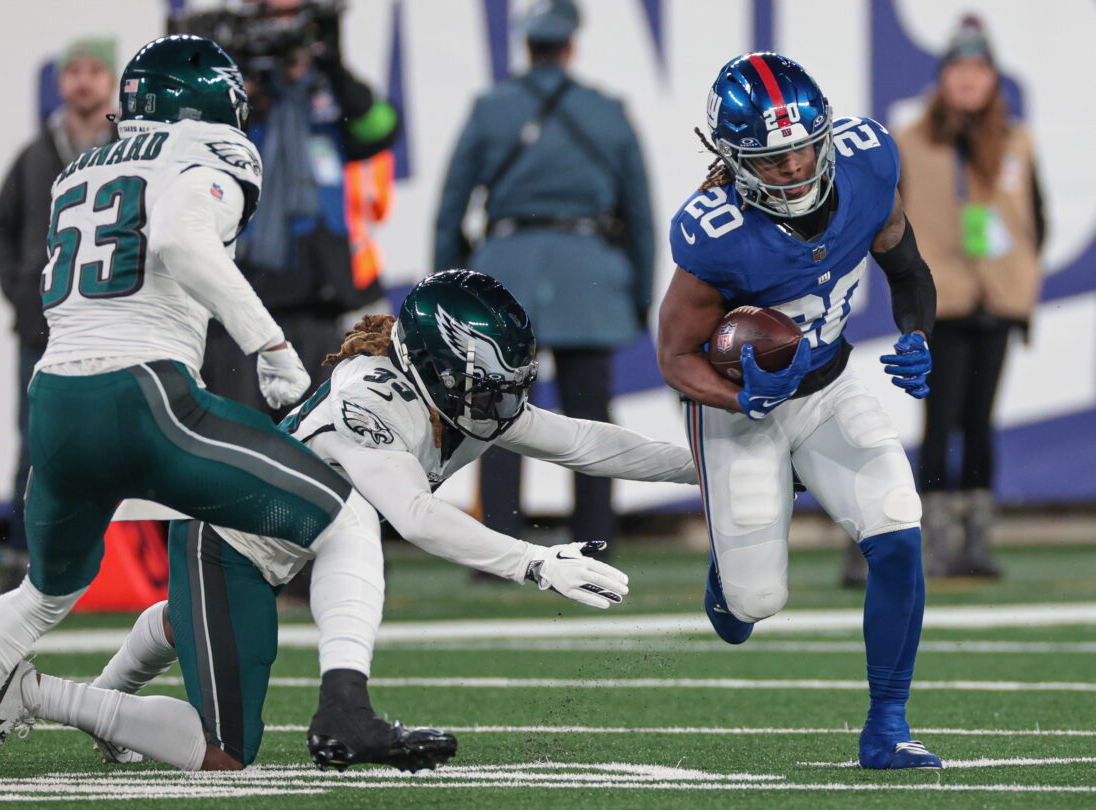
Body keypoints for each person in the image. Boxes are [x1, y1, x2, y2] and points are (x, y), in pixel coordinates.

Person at [0, 35, 426, 803]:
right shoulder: (210, 151)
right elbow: (177, 236)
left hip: (57, 402)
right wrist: (270, 345)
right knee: (341, 513)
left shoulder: (81, 165)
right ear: (207, 104)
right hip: (146, 396)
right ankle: (346, 707)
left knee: (42, 591)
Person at [0, 269, 698, 774]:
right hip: (229, 543)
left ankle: (116, 692)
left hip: (270, 548)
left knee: (197, 624)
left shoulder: (458, 398)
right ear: (435, 368)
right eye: (487, 384)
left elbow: (587, 441)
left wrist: (704, 465)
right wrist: (533, 561)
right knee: (223, 751)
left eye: (509, 384)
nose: (502, 404)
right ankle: (32, 692)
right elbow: (413, 514)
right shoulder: (370, 398)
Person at [657, 53, 941, 770]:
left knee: (898, 530)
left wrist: (917, 334)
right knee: (755, 604)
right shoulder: (715, 233)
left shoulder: (870, 161)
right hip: (741, 410)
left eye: (806, 148)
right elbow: (675, 355)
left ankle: (887, 725)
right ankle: (728, 584)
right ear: (735, 161)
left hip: (830, 384)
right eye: (775, 160)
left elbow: (907, 268)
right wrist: (737, 396)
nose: (796, 168)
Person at [433, 0, 653, 553]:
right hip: (590, 280)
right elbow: (640, 215)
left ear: (526, 45)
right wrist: (641, 294)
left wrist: (445, 293)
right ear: (571, 45)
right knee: (592, 419)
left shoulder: (490, 108)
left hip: (505, 276)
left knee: (498, 418)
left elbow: (451, 208)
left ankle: (497, 543)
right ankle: (598, 540)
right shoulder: (607, 111)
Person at [192, 0, 398, 418]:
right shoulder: (231, 101)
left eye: (295, 23)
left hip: (317, 295)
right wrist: (235, 87)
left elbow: (382, 129)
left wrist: (335, 66)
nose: (283, 37)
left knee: (318, 439)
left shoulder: (328, 97)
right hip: (240, 299)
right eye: (272, 23)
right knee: (242, 438)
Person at [897, 15, 1045, 579]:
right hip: (943, 299)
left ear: (992, 79)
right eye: (958, 68)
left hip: (998, 299)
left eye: (978, 69)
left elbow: (1038, 215)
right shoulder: (913, 141)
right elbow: (889, 223)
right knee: (940, 420)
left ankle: (976, 541)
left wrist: (1022, 281)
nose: (968, 79)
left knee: (981, 421)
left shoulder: (1015, 141)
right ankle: (934, 537)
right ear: (943, 77)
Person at [0, 36, 119, 607]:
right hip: (42, 333)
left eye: (93, 71)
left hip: (113, 332)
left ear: (110, 81)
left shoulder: (130, 150)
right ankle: (23, 564)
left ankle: (112, 567)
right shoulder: (35, 155)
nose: (82, 82)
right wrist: (22, 293)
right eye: (73, 72)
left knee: (115, 446)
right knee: (36, 448)